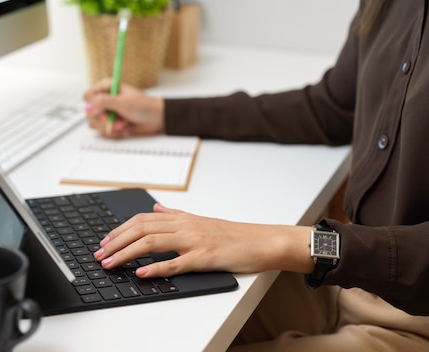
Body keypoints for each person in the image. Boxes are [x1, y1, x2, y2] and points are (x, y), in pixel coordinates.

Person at [82, 1, 429, 351]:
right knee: (142, 323)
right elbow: (331, 109)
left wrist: (283, 242)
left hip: (410, 323)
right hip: (349, 284)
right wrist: (163, 113)